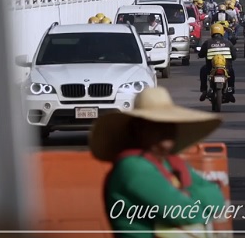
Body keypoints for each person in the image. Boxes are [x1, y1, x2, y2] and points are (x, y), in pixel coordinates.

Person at [89, 87, 226, 238]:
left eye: (170, 122)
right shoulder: (132, 167)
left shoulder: (172, 163)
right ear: (139, 129)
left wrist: (188, 195)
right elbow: (183, 212)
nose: (166, 128)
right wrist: (192, 198)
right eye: (157, 123)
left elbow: (217, 199)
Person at [197, 24, 236, 103]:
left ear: (212, 32)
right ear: (222, 32)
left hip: (211, 68)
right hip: (226, 69)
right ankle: (230, 90)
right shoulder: (228, 43)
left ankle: (204, 90)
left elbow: (200, 54)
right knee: (231, 72)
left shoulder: (207, 43)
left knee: (202, 70)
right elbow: (234, 56)